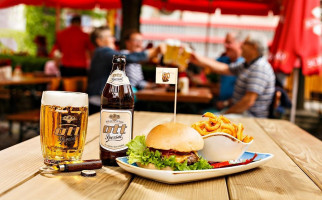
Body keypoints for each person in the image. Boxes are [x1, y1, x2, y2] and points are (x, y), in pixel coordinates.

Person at [191, 33, 275, 118]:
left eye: (245, 43)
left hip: (249, 116)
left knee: (206, 120)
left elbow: (248, 101)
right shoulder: (247, 64)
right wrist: (197, 59)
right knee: (203, 117)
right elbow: (226, 69)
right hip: (239, 112)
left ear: (254, 47)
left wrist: (224, 114)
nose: (241, 46)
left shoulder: (259, 67)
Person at [87, 26, 162, 114]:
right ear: (99, 41)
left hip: (103, 100)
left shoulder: (101, 53)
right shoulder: (103, 51)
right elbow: (125, 58)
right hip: (99, 102)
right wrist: (151, 52)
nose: (113, 39)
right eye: (110, 36)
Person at [216, 32, 244, 109]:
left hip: (233, 109)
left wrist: (225, 103)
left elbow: (246, 96)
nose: (225, 45)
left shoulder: (244, 64)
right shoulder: (223, 60)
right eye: (225, 42)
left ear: (240, 44)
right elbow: (209, 64)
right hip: (220, 105)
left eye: (229, 42)